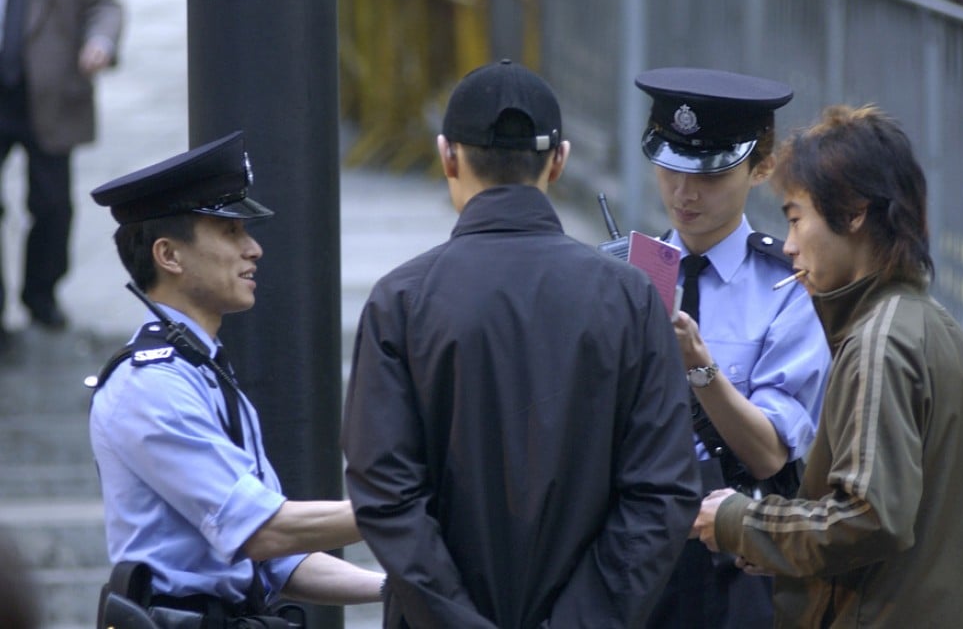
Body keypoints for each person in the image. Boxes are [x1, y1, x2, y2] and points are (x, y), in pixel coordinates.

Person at [341, 59, 702, 628]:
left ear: (447, 155)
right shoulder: (629, 297)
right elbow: (663, 493)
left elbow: (386, 496)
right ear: (559, 160)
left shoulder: (401, 301)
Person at [695, 104, 963, 627]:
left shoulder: (878, 343)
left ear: (855, 212)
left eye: (796, 218)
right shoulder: (946, 335)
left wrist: (742, 522)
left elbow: (867, 516)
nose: (790, 245)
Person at [88, 131, 385, 626]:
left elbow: (277, 559)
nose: (254, 250)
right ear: (169, 255)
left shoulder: (199, 370)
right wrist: (401, 509)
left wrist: (395, 588)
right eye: (229, 233)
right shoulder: (152, 386)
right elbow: (260, 531)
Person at [634, 67, 831, 629]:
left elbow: (769, 453)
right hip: (633, 543)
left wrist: (700, 367)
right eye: (669, 168)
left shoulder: (786, 288)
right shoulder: (626, 272)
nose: (683, 191)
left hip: (729, 554)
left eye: (709, 176)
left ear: (761, 169)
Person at [0, 0, 123, 345]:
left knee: (51, 204)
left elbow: (103, 4)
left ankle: (41, 295)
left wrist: (100, 41)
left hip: (50, 97)